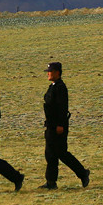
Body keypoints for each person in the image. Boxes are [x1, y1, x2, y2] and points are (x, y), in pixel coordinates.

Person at [40, 61, 90, 189]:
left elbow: (62, 107)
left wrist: (60, 125)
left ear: (57, 73)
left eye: (50, 71)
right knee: (50, 154)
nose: (48, 74)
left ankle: (82, 173)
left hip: (57, 126)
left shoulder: (60, 87)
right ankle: (51, 181)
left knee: (61, 153)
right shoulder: (53, 86)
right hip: (51, 125)